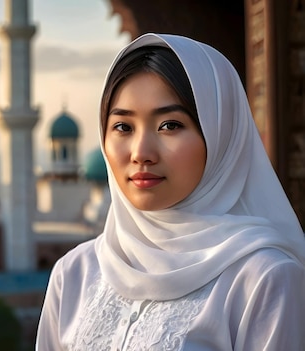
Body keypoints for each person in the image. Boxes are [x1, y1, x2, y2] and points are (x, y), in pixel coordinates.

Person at [35, 33, 305, 351]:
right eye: (123, 127)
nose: (141, 153)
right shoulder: (74, 275)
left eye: (170, 125)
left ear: (221, 134)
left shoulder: (262, 280)